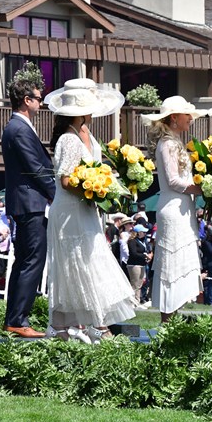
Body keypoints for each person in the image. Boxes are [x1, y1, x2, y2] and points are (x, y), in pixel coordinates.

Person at [45, 85, 135, 343]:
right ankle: (95, 325)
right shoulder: (69, 138)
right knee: (79, 263)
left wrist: (108, 185)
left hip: (85, 209)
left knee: (89, 261)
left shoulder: (85, 133)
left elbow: (94, 168)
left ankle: (81, 326)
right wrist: (95, 191)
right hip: (70, 211)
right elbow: (65, 180)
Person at [142, 95, 212, 323]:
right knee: (172, 263)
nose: (190, 118)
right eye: (186, 115)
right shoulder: (168, 144)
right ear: (174, 118)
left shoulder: (175, 142)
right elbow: (173, 181)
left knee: (181, 261)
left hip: (182, 207)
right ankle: (167, 318)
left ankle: (174, 315)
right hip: (173, 207)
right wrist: (200, 189)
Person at [1, 74, 57, 338]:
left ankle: (14, 318)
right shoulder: (19, 128)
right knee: (32, 260)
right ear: (26, 100)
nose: (41, 103)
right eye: (38, 98)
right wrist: (55, 193)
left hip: (27, 203)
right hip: (30, 204)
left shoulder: (19, 127)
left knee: (24, 260)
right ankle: (17, 320)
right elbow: (34, 167)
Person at [127, 224, 151, 307]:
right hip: (134, 264)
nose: (144, 234)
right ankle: (132, 302)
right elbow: (133, 253)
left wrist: (146, 256)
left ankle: (137, 300)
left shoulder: (142, 241)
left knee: (140, 284)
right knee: (135, 284)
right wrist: (144, 255)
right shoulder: (132, 241)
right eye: (143, 232)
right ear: (138, 233)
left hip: (141, 264)